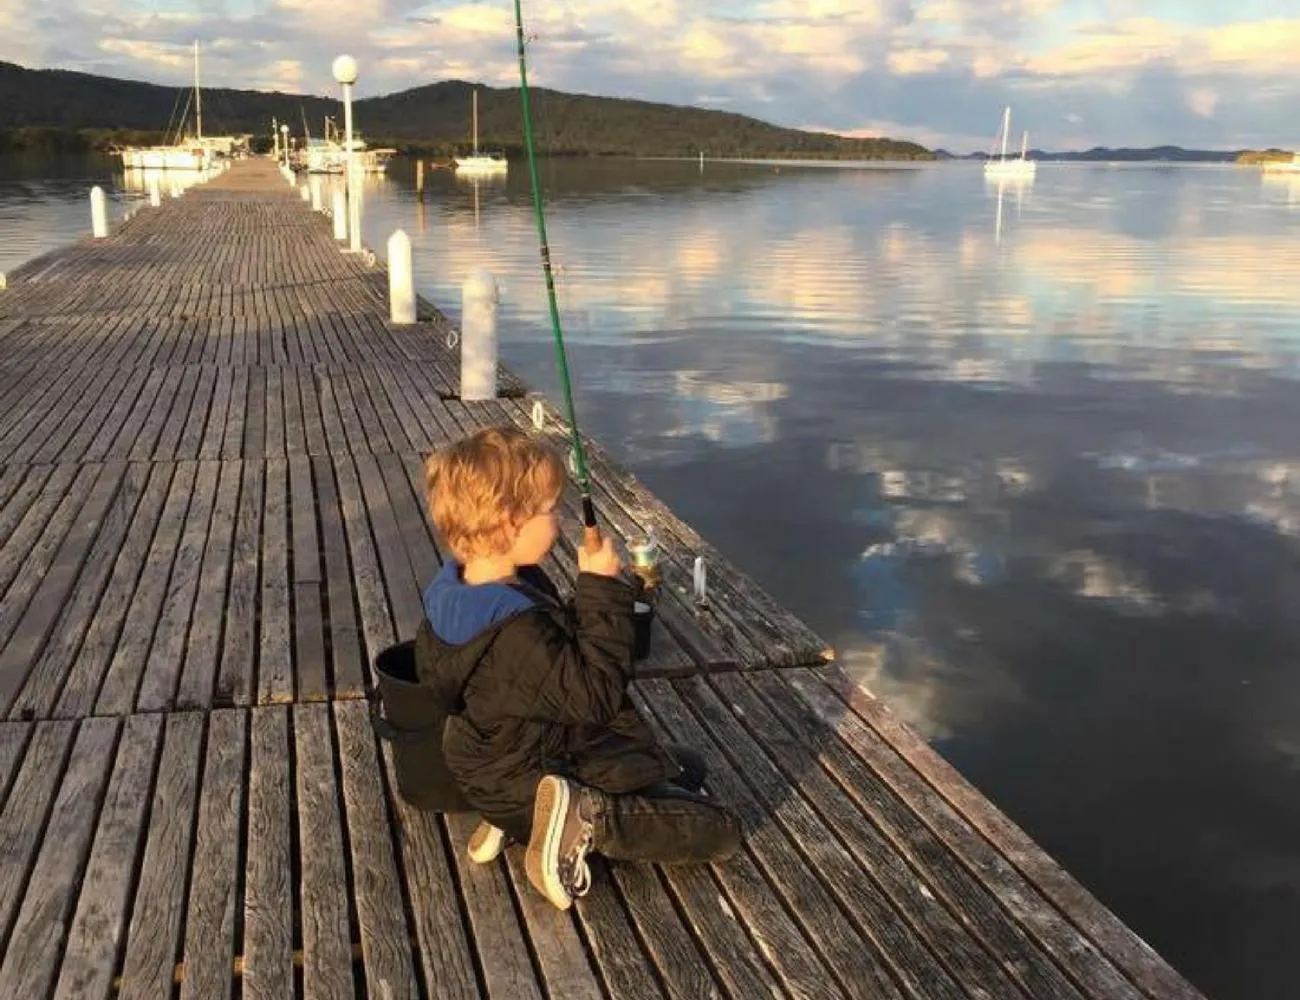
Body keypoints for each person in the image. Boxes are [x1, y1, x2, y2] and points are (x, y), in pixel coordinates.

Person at [416, 425, 742, 909]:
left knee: (688, 769)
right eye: (551, 510)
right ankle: (571, 818)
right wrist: (601, 591)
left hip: (498, 761)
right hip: (525, 773)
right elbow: (596, 695)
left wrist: (596, 597)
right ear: (510, 522)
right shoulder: (512, 631)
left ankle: (518, 817)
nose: (561, 519)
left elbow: (552, 666)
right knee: (721, 830)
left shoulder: (466, 592)